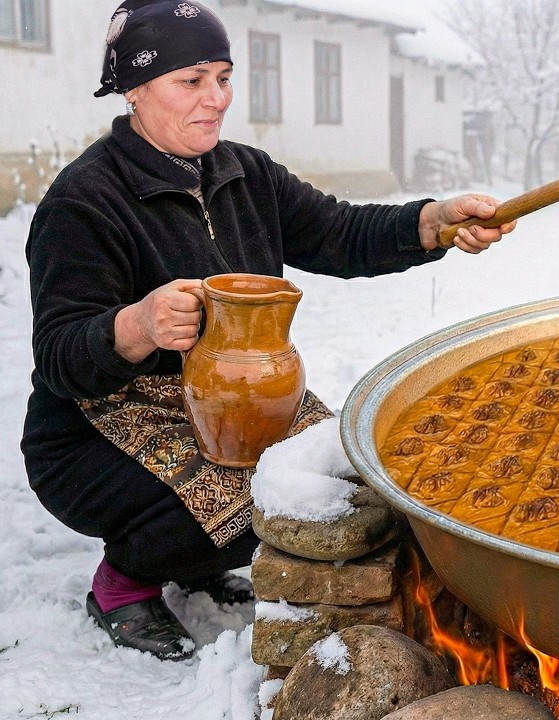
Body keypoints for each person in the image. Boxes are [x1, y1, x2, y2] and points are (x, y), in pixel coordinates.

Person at [21, 0, 515, 661]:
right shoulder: (85, 202)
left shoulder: (245, 173)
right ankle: (126, 578)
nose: (216, 99)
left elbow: (340, 233)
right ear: (135, 89)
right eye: (190, 81)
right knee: (253, 506)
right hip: (93, 432)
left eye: (222, 77)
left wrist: (432, 221)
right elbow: (58, 354)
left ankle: (196, 553)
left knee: (346, 481)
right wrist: (133, 325)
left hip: (244, 397)